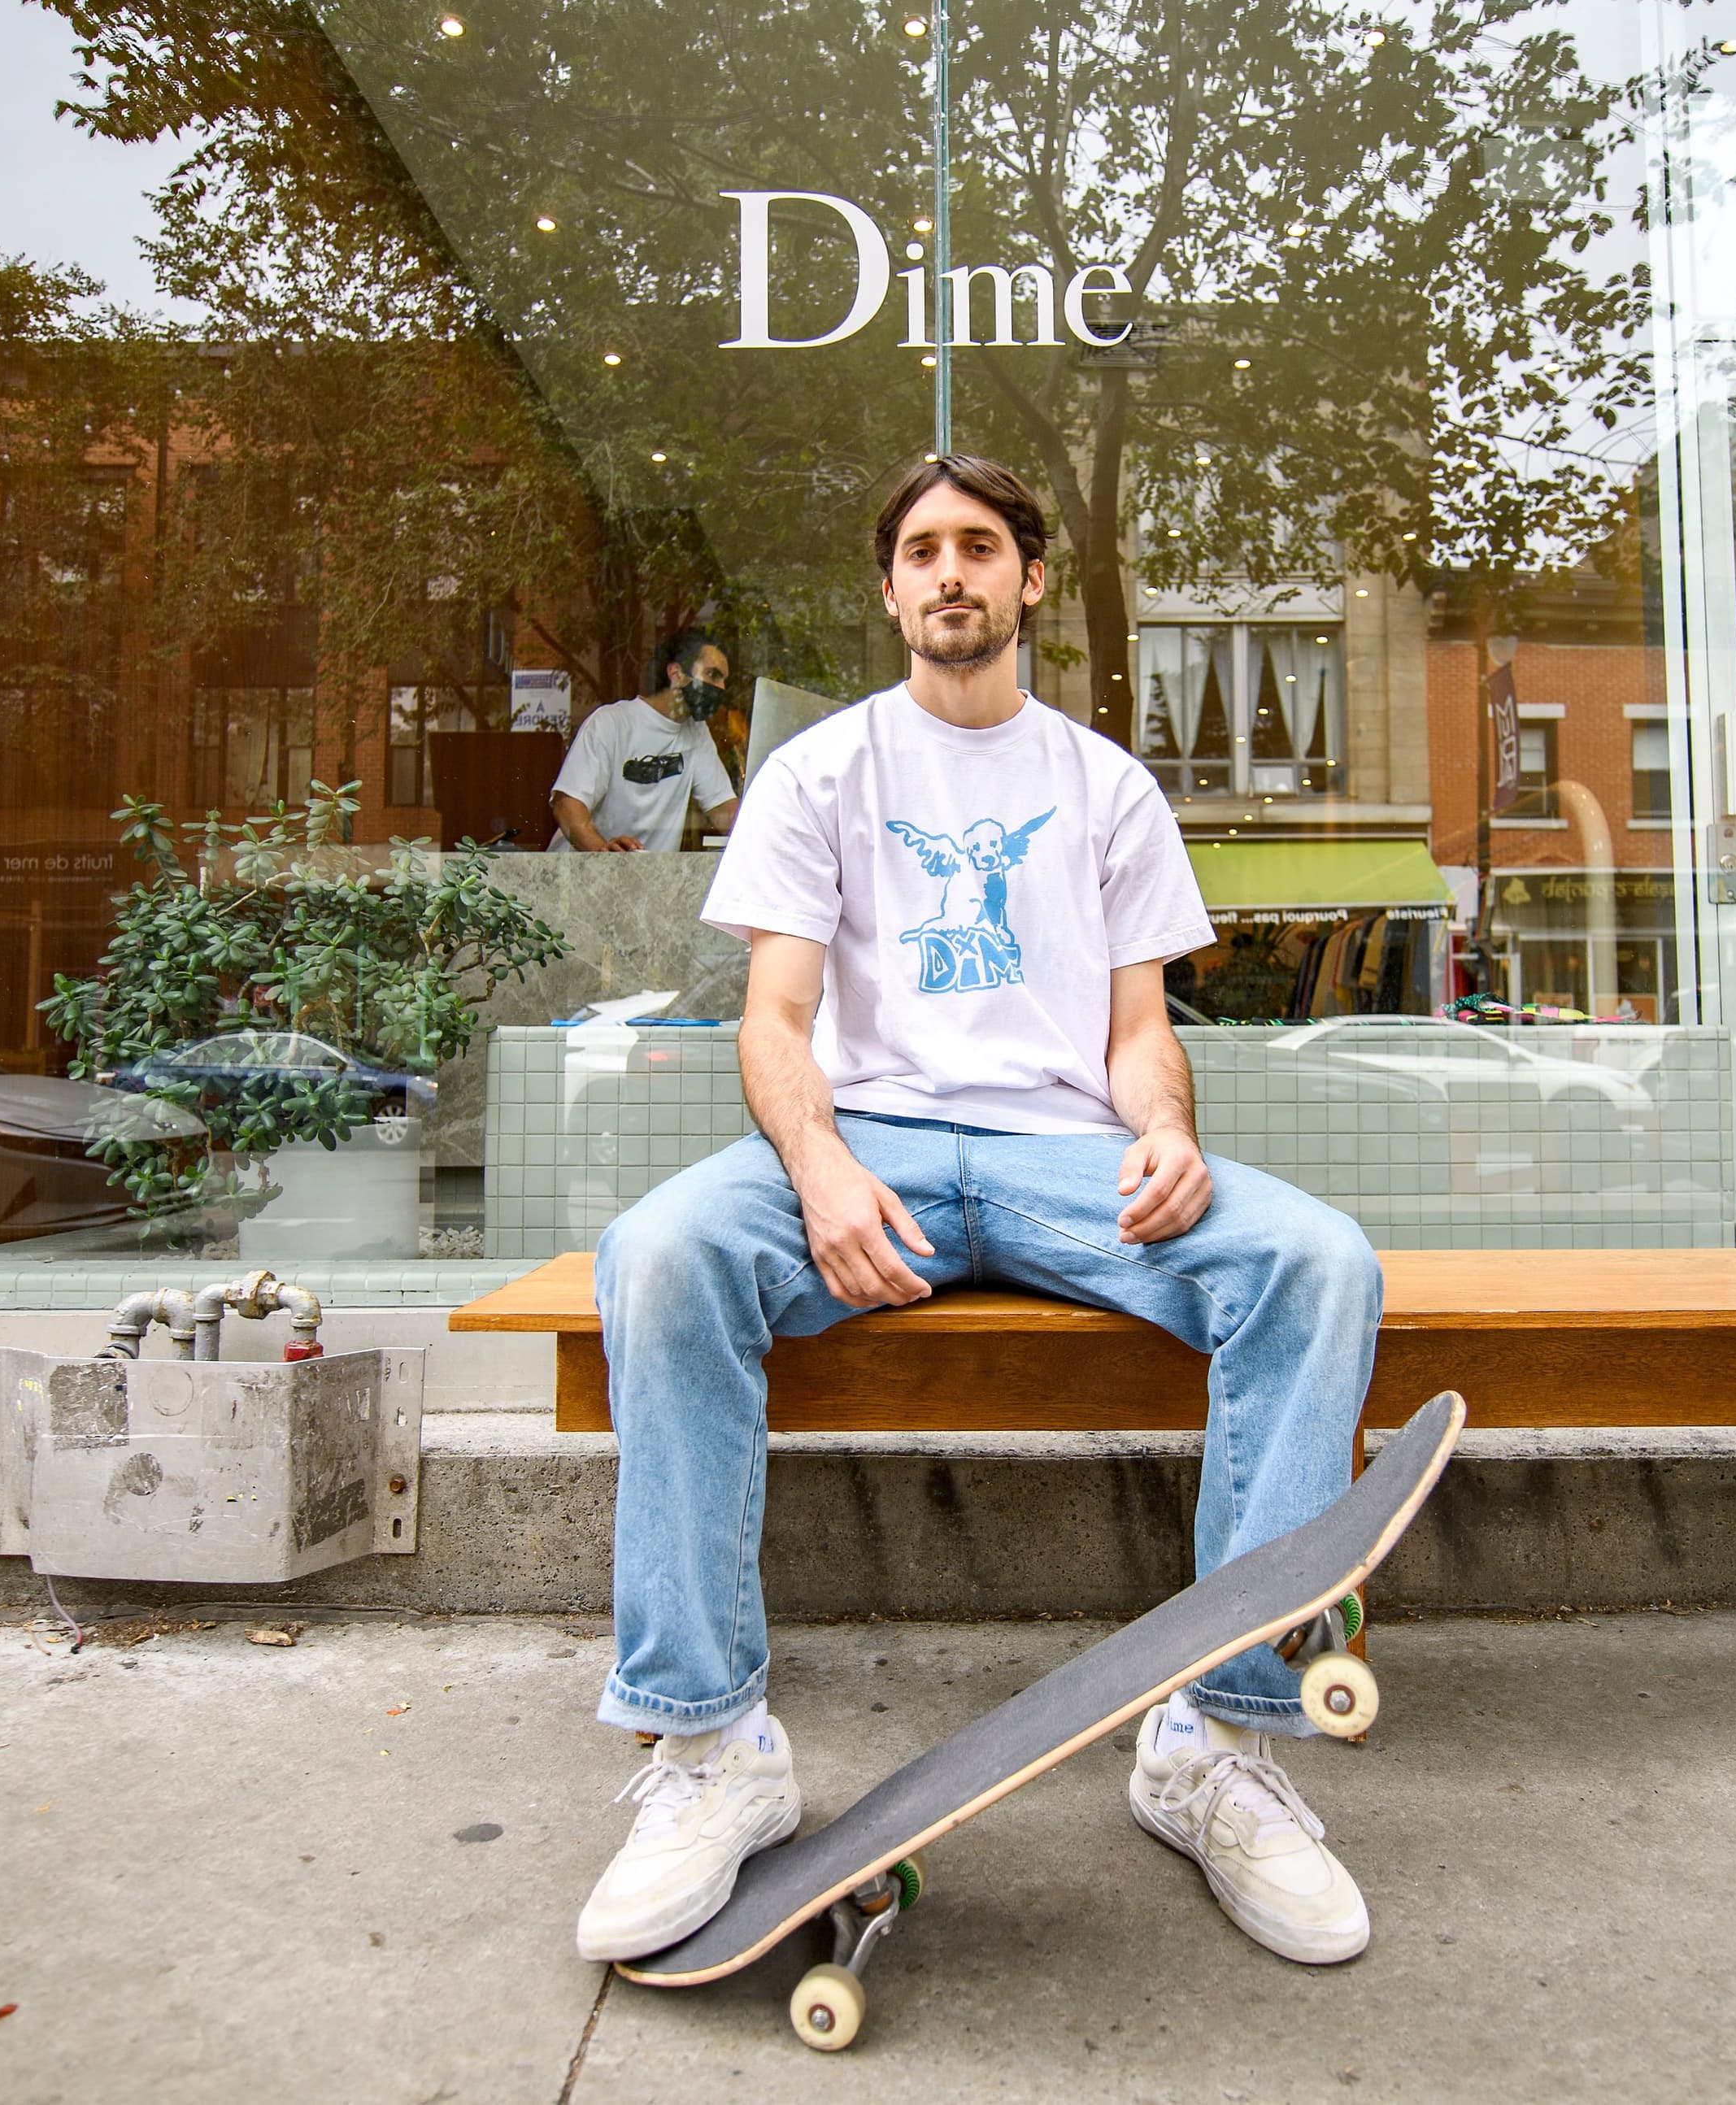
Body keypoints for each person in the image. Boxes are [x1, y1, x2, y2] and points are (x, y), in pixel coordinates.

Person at [574, 455, 1385, 1969]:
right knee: (666, 1248)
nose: (952, 571)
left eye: (982, 548)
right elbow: (775, 1016)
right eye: (923, 551)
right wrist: (818, 1168)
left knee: (1317, 1261)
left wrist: (1164, 1129)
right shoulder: (824, 772)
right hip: (867, 1144)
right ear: (891, 590)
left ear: (1024, 584)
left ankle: (1214, 1737)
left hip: (1063, 1160)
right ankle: (708, 1744)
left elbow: (1142, 1027)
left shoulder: (1104, 784)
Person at [549, 628, 741, 851]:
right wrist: (602, 852)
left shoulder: (696, 733)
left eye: (724, 680)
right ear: (676, 674)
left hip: (647, 879)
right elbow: (567, 805)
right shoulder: (611, 722)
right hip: (580, 876)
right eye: (713, 675)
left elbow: (724, 812)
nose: (721, 688)